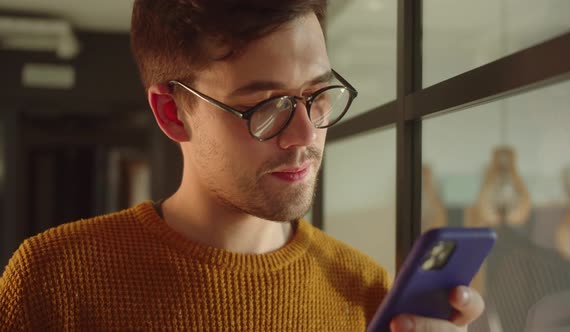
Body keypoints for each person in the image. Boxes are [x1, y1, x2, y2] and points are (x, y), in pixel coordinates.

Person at [0, 1, 484, 330]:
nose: (306, 134)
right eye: (267, 106)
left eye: (318, 95)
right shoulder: (52, 280)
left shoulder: (368, 294)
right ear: (172, 112)